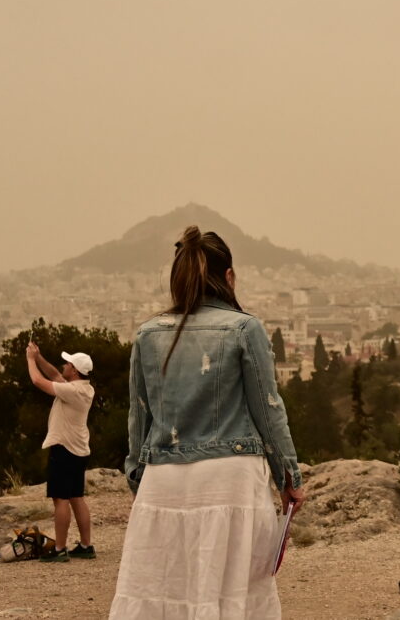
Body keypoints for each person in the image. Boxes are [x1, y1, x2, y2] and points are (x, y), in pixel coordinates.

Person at [110, 226, 305, 619]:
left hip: (162, 483)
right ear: (228, 277)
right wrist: (289, 479)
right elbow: (268, 410)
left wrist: (138, 477)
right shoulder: (244, 328)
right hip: (230, 480)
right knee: (232, 596)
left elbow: (139, 416)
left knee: (160, 597)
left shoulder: (147, 334)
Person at [25, 343, 96, 563]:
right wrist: (39, 357)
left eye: (68, 363)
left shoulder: (71, 391)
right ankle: (86, 545)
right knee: (76, 497)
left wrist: (29, 360)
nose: (64, 365)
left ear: (74, 371)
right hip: (79, 450)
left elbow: (38, 381)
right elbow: (55, 374)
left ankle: (60, 548)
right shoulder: (84, 388)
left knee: (61, 499)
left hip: (64, 449)